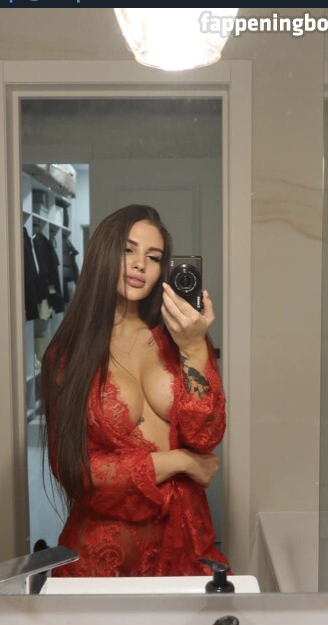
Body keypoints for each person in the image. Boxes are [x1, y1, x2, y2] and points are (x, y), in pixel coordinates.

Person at [41, 204, 230, 577]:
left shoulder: (183, 339)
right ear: (103, 253)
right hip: (104, 560)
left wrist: (195, 347)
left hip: (187, 547)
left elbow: (207, 435)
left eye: (154, 257)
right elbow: (75, 470)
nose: (140, 264)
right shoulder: (67, 355)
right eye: (128, 250)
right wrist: (181, 462)